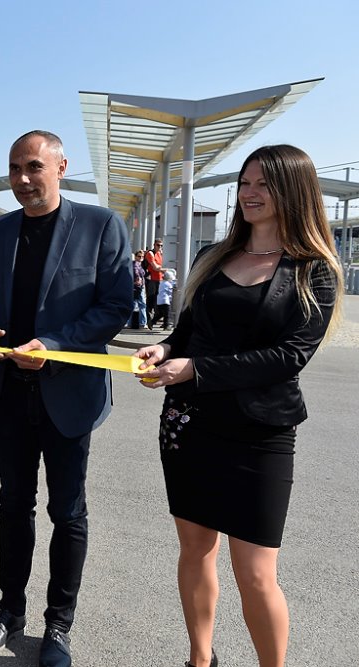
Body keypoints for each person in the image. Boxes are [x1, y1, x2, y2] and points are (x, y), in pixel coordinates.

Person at [133, 144, 343, 667]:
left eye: (263, 184)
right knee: (196, 551)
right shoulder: (215, 256)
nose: (249, 193)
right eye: (244, 183)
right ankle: (199, 659)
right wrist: (165, 350)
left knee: (255, 572)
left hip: (261, 434)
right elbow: (188, 332)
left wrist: (196, 369)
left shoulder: (313, 269)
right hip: (190, 426)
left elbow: (289, 356)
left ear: (293, 191)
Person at [0, 131, 132, 666]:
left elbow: (115, 307)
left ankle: (58, 624)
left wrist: (56, 347)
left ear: (61, 166)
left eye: (33, 167)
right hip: (11, 394)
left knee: (68, 511)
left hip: (68, 396)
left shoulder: (101, 225)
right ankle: (9, 610)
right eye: (14, 168)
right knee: (13, 506)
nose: (22, 179)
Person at [146, 239, 165, 323]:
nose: (159, 247)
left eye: (161, 245)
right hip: (152, 279)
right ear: (154, 245)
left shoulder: (160, 254)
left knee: (159, 300)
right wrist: (167, 270)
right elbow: (155, 267)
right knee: (151, 299)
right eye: (158, 245)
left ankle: (156, 318)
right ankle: (148, 319)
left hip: (160, 279)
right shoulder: (150, 253)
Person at [131, 250, 149, 330]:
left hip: (137, 287)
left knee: (135, 304)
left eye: (142, 257)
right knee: (142, 305)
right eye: (139, 256)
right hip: (138, 287)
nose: (141, 258)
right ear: (135, 256)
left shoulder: (139, 264)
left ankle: (130, 323)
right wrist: (138, 279)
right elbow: (136, 273)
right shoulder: (136, 265)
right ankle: (142, 323)